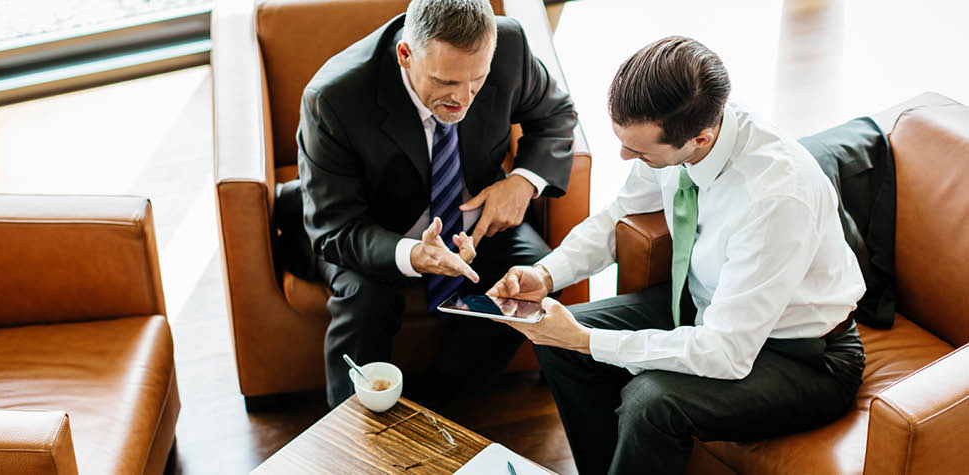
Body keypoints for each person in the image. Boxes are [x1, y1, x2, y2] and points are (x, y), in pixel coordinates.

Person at [487, 36, 866, 474]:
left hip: (803, 356)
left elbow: (725, 352)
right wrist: (547, 274)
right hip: (709, 307)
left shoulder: (775, 199)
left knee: (649, 403)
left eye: (640, 151)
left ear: (699, 139)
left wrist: (586, 339)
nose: (625, 156)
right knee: (553, 339)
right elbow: (619, 215)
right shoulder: (685, 134)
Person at [296, 0, 577, 408]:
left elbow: (555, 116)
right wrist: (413, 254)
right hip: (376, 232)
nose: (462, 100)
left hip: (473, 219)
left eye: (476, 81)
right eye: (446, 82)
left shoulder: (510, 45)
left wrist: (521, 181)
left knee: (535, 274)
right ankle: (352, 435)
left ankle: (441, 405)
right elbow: (335, 228)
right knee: (364, 303)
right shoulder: (333, 98)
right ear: (405, 56)